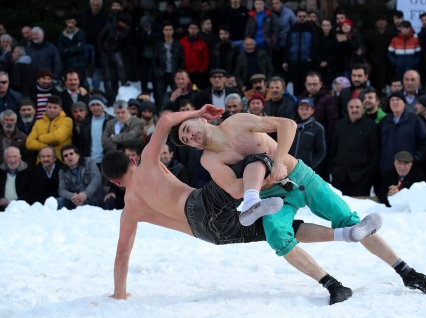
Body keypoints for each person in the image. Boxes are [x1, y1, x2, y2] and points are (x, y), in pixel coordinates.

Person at [103, 106, 380, 302]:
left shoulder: (129, 211)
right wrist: (197, 110)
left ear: (115, 183)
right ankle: (251, 200)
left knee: (279, 231)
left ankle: (343, 234)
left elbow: (121, 256)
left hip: (209, 234)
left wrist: (119, 294)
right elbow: (164, 122)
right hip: (200, 204)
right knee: (255, 159)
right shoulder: (147, 165)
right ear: (133, 161)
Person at [170, 106, 426, 301]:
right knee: (277, 236)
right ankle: (332, 285)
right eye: (185, 139)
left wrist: (277, 160)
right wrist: (264, 178)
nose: (190, 135)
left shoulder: (238, 121)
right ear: (192, 147)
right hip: (271, 197)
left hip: (300, 175)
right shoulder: (209, 159)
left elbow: (287, 125)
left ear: (200, 120)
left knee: (351, 220)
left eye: (187, 128)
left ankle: (408, 272)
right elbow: (231, 187)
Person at [331, 98, 379, 196]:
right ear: (347, 109)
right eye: (351, 107)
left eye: (357, 107)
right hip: (340, 175)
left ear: (362, 109)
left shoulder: (371, 126)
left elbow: (375, 153)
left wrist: (370, 175)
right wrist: (332, 170)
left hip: (362, 176)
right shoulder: (339, 125)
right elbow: (332, 149)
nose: (354, 110)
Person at [378, 91, 426, 174]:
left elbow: (425, 145)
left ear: (404, 104)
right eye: (392, 100)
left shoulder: (415, 120)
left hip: (409, 170)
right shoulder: (384, 122)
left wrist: (415, 160)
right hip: (387, 169)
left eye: (398, 99)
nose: (395, 102)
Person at [57, 144, 105, 210]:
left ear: (78, 155)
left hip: (94, 196)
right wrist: (72, 196)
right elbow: (62, 190)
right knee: (58, 202)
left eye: (71, 154)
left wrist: (86, 194)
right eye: (66, 156)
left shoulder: (89, 162)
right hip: (75, 199)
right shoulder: (62, 171)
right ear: (63, 160)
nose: (69, 157)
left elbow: (97, 179)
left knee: (82, 206)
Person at [26, 95, 73, 161]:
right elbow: (29, 143)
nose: (52, 110)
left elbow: (58, 138)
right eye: (49, 107)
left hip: (60, 161)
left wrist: (40, 138)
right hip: (42, 162)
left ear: (60, 109)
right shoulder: (38, 122)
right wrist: (46, 147)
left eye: (55, 107)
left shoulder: (67, 120)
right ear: (46, 108)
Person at [98, 12, 131, 102]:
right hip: (106, 52)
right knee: (108, 76)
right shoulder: (109, 27)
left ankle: (123, 82)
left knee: (118, 68)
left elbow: (128, 44)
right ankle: (110, 97)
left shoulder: (126, 30)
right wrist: (102, 52)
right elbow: (101, 38)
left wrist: (121, 52)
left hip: (116, 52)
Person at [284, 9, 318, 95]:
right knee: (295, 83)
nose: (302, 18)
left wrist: (311, 58)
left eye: (304, 16)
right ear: (296, 17)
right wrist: (285, 60)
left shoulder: (311, 30)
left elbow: (315, 45)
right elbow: (287, 45)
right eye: (300, 16)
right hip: (294, 60)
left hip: (306, 61)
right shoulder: (292, 29)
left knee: (306, 82)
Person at [77, 0, 108, 92]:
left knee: (97, 68)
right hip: (85, 44)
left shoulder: (104, 16)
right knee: (82, 66)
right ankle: (84, 86)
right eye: (94, 5)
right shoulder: (84, 15)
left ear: (100, 6)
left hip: (98, 46)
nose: (95, 7)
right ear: (90, 5)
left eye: (97, 5)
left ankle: (95, 88)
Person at [152, 21, 185, 110]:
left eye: (170, 30)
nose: (168, 32)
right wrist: (157, 72)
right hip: (161, 74)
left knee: (176, 95)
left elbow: (181, 61)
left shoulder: (178, 45)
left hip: (174, 74)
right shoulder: (158, 45)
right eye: (166, 30)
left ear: (173, 31)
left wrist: (180, 74)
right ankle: (160, 113)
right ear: (163, 31)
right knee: (160, 96)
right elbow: (154, 61)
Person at [289, 98, 326, 170]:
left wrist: (312, 165)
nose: (304, 112)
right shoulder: (292, 125)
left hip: (306, 168)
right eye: (302, 109)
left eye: (307, 109)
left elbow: (322, 151)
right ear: (298, 110)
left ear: (312, 110)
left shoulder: (318, 128)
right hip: (290, 166)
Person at [103, 145, 141, 211]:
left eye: (133, 155)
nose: (130, 157)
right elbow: (114, 181)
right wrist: (112, 192)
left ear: (138, 156)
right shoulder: (118, 167)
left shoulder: (145, 168)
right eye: (128, 155)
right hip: (122, 198)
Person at [364, 15, 397, 90]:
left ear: (386, 22)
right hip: (375, 65)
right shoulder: (370, 35)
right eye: (379, 20)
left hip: (389, 65)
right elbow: (367, 50)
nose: (381, 22)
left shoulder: (392, 34)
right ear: (376, 23)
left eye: (383, 20)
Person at [58, 13, 86, 84]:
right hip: (68, 64)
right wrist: (75, 48)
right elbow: (61, 51)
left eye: (72, 22)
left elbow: (81, 48)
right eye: (68, 22)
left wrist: (67, 50)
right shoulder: (62, 35)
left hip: (79, 63)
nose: (70, 25)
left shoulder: (80, 33)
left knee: (80, 82)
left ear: (75, 23)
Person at [179, 22, 209, 88]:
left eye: (195, 28)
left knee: (197, 92)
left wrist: (201, 71)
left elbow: (206, 59)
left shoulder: (202, 44)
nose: (193, 30)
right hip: (184, 72)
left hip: (197, 73)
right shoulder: (181, 42)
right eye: (191, 28)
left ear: (198, 30)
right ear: (188, 29)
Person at [0, 147, 31, 211]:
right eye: (9, 157)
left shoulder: (29, 171)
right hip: (2, 207)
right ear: (5, 159)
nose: (12, 160)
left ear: (20, 157)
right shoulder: (0, 171)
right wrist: (1, 198)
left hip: (22, 208)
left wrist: (15, 203)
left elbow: (31, 192)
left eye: (15, 157)